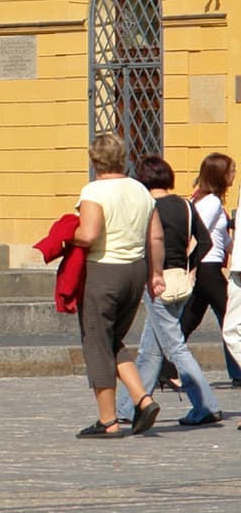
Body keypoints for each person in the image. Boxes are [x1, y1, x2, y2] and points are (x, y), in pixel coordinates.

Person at [131, 157, 224, 429]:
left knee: (175, 347)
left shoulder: (148, 207)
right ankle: (129, 405)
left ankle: (207, 405)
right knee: (151, 349)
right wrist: (190, 267)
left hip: (157, 281)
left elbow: (144, 245)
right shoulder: (185, 204)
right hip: (181, 282)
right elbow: (205, 242)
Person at [76, 140, 159, 438]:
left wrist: (66, 236)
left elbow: (89, 234)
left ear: (94, 159)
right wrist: (156, 274)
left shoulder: (94, 191)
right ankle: (142, 398)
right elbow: (156, 237)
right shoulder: (139, 189)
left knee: (97, 341)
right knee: (113, 339)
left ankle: (108, 420)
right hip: (135, 270)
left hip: (103, 270)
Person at [194, 151, 239, 390]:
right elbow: (197, 232)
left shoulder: (214, 202)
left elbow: (222, 238)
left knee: (187, 322)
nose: (234, 175)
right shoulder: (210, 203)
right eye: (231, 171)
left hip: (208, 268)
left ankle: (163, 365)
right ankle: (238, 372)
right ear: (220, 175)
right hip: (207, 268)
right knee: (231, 319)